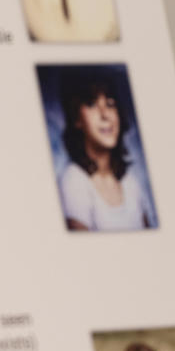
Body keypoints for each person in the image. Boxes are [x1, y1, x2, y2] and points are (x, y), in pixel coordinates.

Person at [58, 68, 153, 231]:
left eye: (110, 104)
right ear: (77, 119)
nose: (105, 114)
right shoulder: (73, 180)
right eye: (92, 104)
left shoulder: (130, 181)